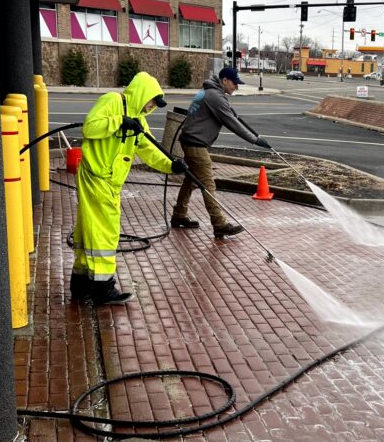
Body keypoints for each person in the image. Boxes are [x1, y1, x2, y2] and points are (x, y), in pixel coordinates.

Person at [71, 71, 188, 305]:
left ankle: (81, 283)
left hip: (111, 183)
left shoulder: (139, 121)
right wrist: (118, 122)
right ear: (142, 93)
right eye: (152, 100)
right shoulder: (112, 102)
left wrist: (171, 165)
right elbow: (90, 127)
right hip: (96, 177)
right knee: (105, 232)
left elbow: (149, 150)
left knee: (89, 230)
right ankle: (103, 288)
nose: (152, 106)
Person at [171, 66, 271, 238]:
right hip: (195, 144)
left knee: (191, 180)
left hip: (190, 141)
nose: (236, 87)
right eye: (234, 83)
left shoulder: (209, 92)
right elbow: (232, 123)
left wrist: (252, 132)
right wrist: (255, 140)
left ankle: (179, 215)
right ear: (224, 81)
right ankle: (219, 224)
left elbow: (232, 116)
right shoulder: (215, 96)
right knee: (208, 183)